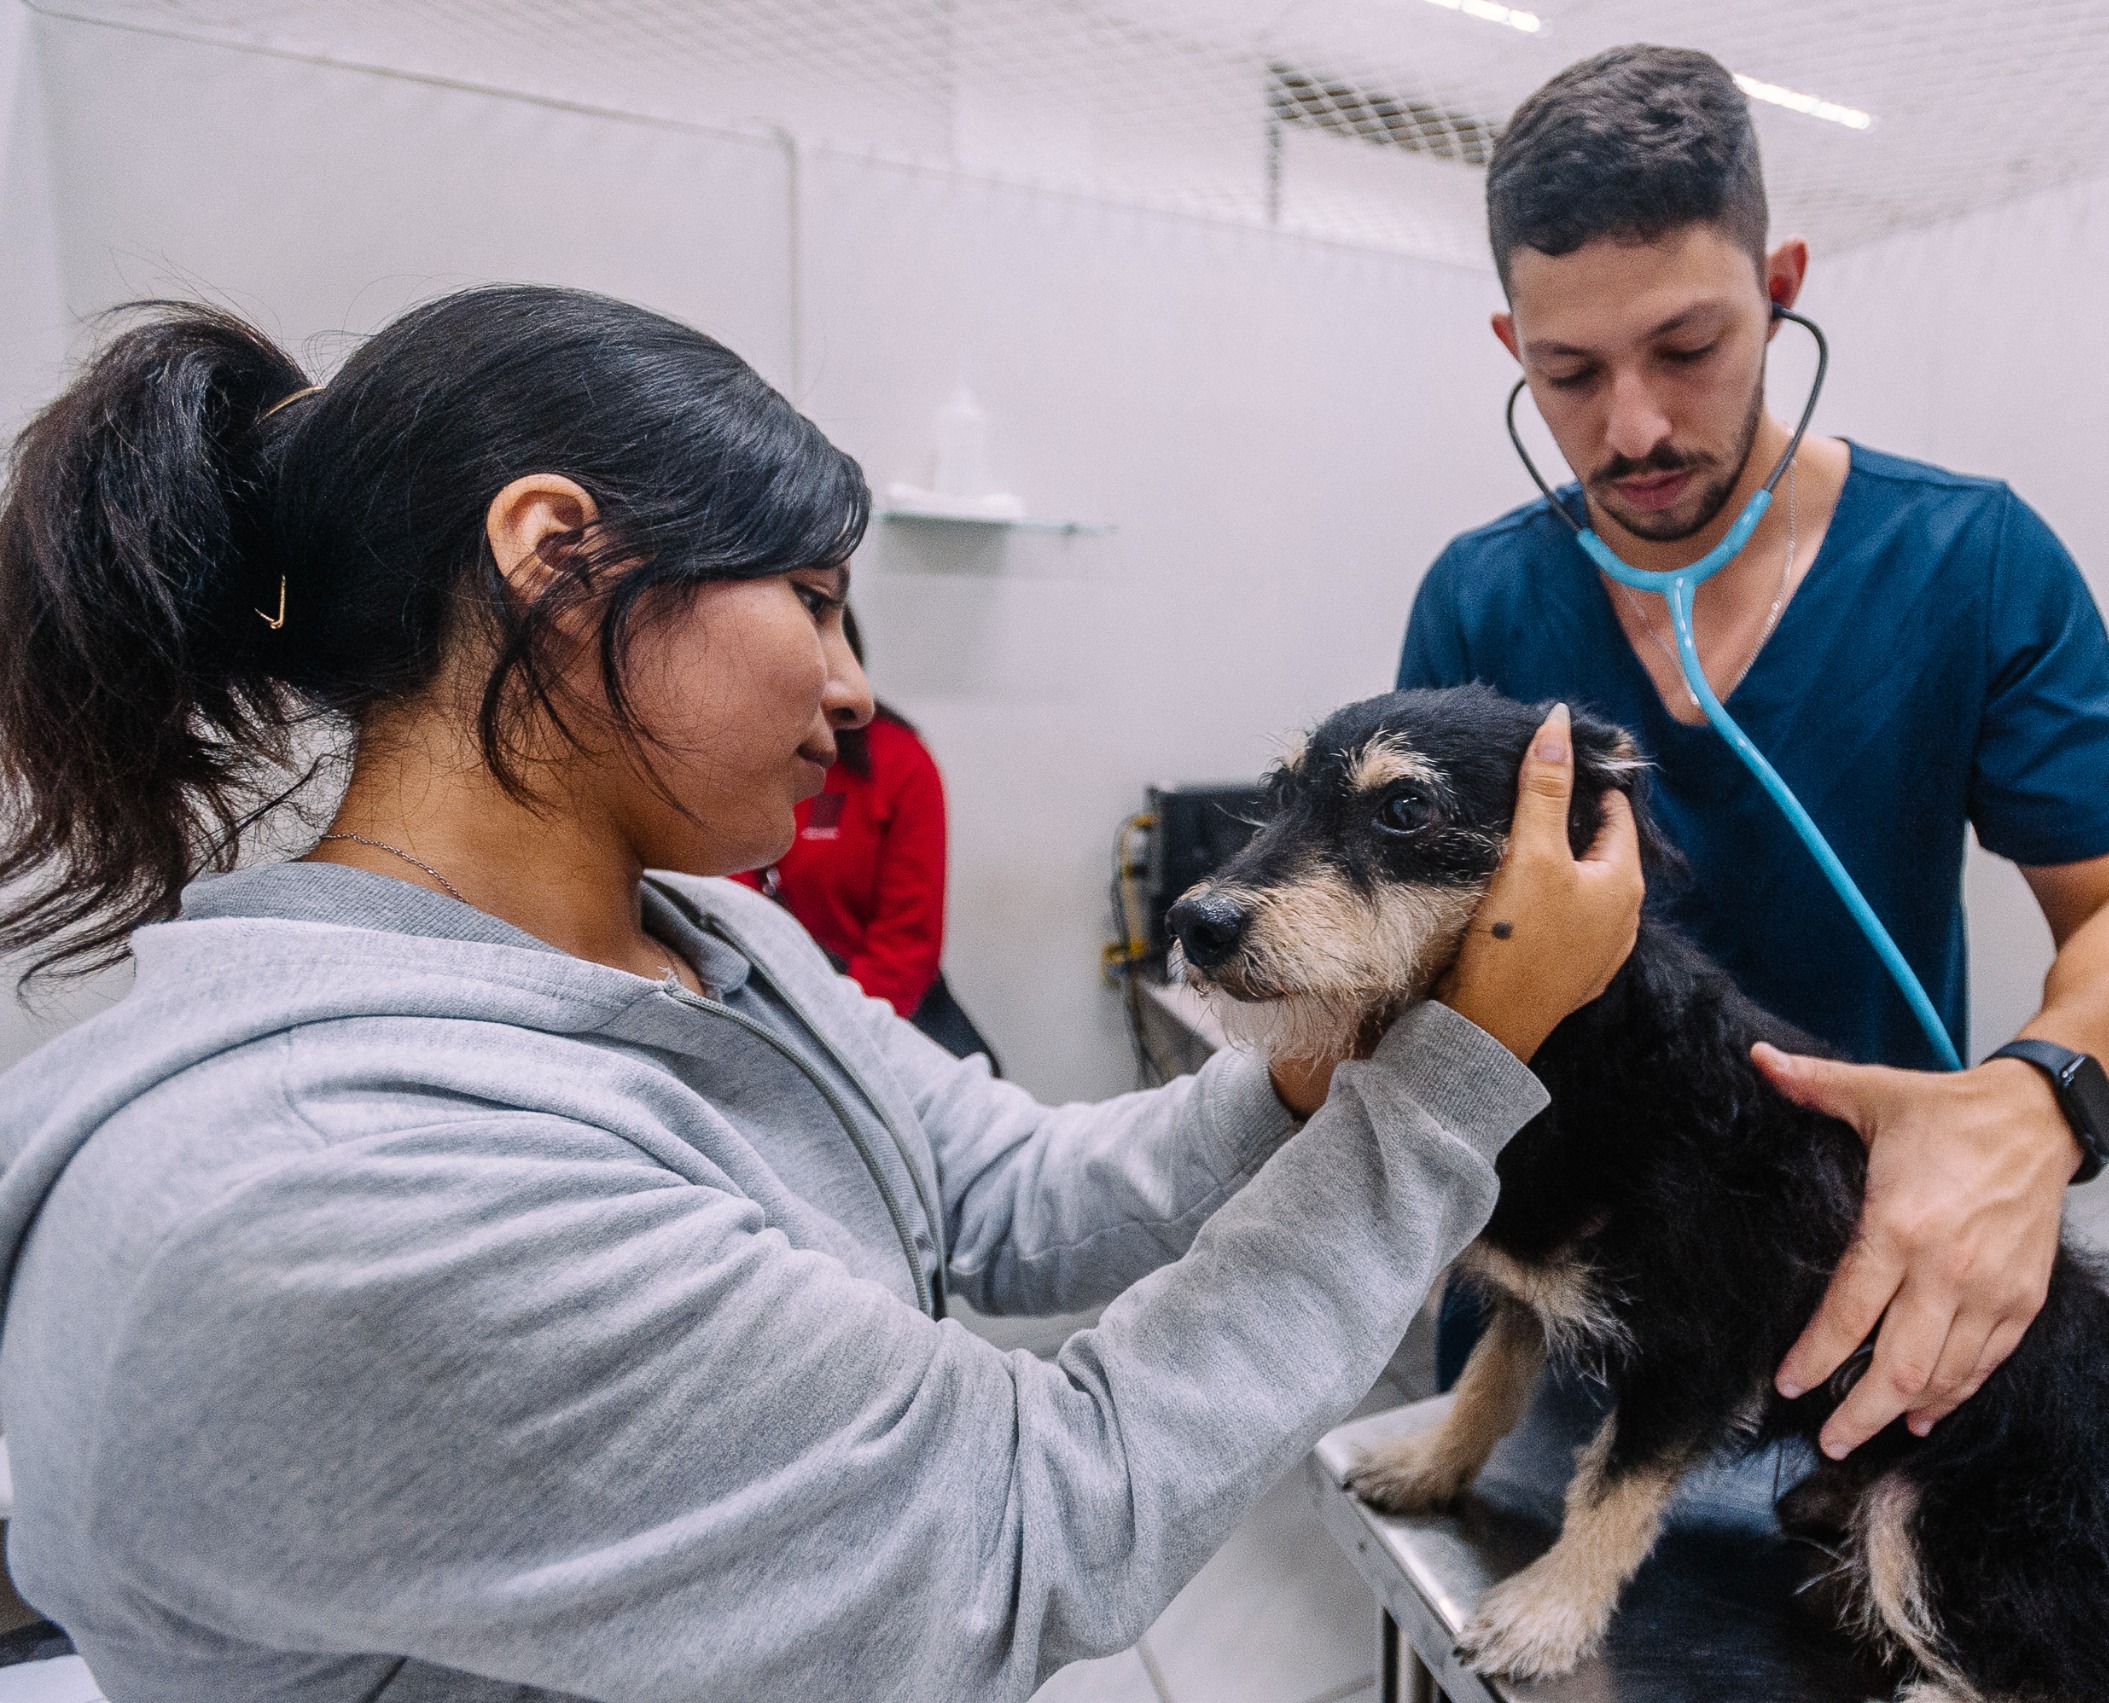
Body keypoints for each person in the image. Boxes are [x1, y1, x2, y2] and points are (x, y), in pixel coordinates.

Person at [0, 287, 1644, 1702]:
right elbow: (1017, 1521)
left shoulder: (707, 940)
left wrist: (1323, 1062)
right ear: (555, 560)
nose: (854, 686)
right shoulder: (336, 1185)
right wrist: (1460, 1068)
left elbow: (1003, 1192)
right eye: (813, 597)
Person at [1401, 46, 2109, 1462]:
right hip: (1555, 1311)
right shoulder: (1477, 601)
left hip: (1859, 1290)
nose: (1635, 426)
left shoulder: (1970, 562)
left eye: (1689, 347)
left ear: (1782, 286)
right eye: (1569, 374)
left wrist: (2037, 1105)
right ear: (1506, 346)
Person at [733, 606, 998, 1069]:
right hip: (758, 1020)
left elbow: (906, 945)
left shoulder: (899, 762)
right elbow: (726, 918)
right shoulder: (729, 756)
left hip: (871, 1026)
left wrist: (832, 1041)